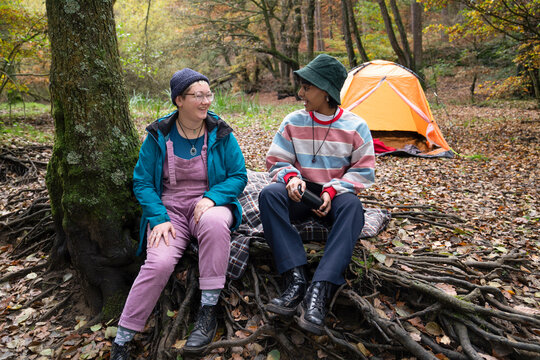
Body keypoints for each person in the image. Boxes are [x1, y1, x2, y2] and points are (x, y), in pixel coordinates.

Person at [110, 68, 247, 359]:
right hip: (169, 210)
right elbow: (143, 181)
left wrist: (212, 198)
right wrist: (158, 217)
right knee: (158, 263)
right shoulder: (159, 135)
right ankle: (122, 339)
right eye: (198, 95)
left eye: (208, 94)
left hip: (209, 206)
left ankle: (207, 311)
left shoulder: (221, 132)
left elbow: (238, 175)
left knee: (214, 222)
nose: (206, 101)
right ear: (179, 100)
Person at [258, 54, 375, 335]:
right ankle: (295, 278)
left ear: (325, 91)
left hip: (336, 194)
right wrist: (291, 178)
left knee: (353, 210)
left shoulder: (356, 126)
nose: (300, 94)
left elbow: (364, 171)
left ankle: (320, 289)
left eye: (306, 88)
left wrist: (334, 190)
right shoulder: (292, 121)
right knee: (269, 195)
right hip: (300, 193)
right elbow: (276, 161)